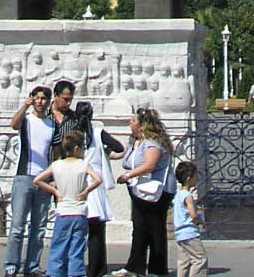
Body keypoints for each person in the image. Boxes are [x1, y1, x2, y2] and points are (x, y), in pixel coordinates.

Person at [113, 106, 176, 277]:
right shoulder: (135, 141)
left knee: (155, 228)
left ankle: (157, 269)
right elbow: (127, 156)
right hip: (140, 190)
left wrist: (128, 175)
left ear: (142, 125)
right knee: (139, 227)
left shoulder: (152, 143)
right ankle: (134, 266)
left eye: (133, 120)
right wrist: (107, 154)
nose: (129, 122)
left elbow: (150, 165)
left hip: (157, 191)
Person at [34, 129, 101, 277]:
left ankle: (54, 273)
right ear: (77, 149)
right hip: (79, 213)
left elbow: (37, 180)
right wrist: (86, 191)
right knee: (76, 249)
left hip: (63, 212)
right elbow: (98, 179)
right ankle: (76, 274)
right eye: (83, 147)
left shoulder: (57, 165)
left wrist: (55, 192)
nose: (84, 150)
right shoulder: (83, 165)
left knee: (58, 247)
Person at [4, 84, 53, 277]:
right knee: (17, 225)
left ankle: (32, 266)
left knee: (39, 227)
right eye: (37, 98)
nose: (40, 102)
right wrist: (24, 106)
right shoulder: (26, 120)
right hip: (24, 176)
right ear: (32, 99)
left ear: (48, 102)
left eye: (43, 99)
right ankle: (11, 264)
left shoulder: (51, 125)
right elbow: (13, 124)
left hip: (43, 179)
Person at [75, 100, 124, 277]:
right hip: (95, 181)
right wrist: (104, 150)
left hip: (77, 180)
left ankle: (76, 265)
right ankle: (97, 268)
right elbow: (119, 147)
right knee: (97, 230)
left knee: (77, 229)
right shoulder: (97, 133)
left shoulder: (74, 133)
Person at [173, 160, 208, 277]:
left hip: (179, 234)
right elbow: (193, 215)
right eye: (195, 177)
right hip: (190, 233)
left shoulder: (177, 195)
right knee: (200, 259)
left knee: (184, 261)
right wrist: (200, 222)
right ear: (189, 178)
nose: (196, 179)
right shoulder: (188, 196)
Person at [50, 78, 78, 158]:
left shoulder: (75, 119)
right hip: (45, 165)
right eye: (65, 99)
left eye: (70, 100)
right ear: (55, 95)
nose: (68, 103)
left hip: (67, 166)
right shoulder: (44, 116)